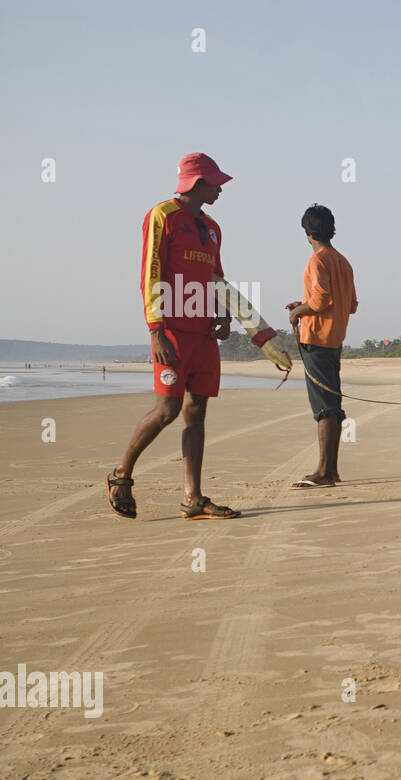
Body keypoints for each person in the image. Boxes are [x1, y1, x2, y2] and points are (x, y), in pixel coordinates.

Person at [106, 153, 241, 520]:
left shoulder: (213, 227)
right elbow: (150, 273)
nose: (220, 189)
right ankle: (121, 475)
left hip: (203, 335)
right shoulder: (162, 216)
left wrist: (224, 315)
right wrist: (156, 330)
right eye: (215, 183)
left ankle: (192, 497)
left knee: (196, 412)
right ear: (198, 183)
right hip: (172, 333)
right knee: (167, 410)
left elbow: (217, 276)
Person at [285, 204, 358, 488]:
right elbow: (349, 305)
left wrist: (297, 312)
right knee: (332, 404)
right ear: (332, 230)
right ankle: (330, 470)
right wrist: (302, 305)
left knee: (325, 408)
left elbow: (320, 301)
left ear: (307, 233)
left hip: (316, 341)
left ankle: (325, 472)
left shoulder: (317, 261)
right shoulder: (343, 261)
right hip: (334, 340)